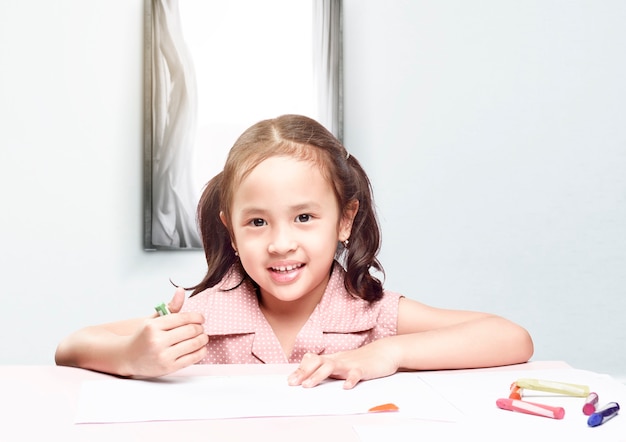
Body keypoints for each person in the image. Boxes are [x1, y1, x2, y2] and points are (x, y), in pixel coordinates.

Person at [55, 114, 533, 389]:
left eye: (304, 217)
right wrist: (133, 356)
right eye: (257, 222)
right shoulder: (203, 317)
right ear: (232, 232)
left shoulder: (372, 315)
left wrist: (386, 354)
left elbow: (510, 338)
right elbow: (70, 346)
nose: (281, 242)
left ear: (345, 220)